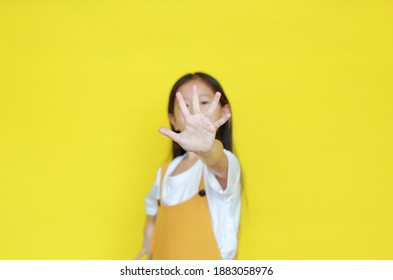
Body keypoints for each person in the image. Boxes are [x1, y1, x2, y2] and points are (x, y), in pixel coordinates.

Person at [135, 72, 241, 260]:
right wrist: (148, 239)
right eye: (185, 105)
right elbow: (152, 208)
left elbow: (215, 158)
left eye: (204, 102)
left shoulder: (225, 163)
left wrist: (207, 148)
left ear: (224, 112)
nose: (194, 111)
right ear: (173, 120)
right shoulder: (165, 172)